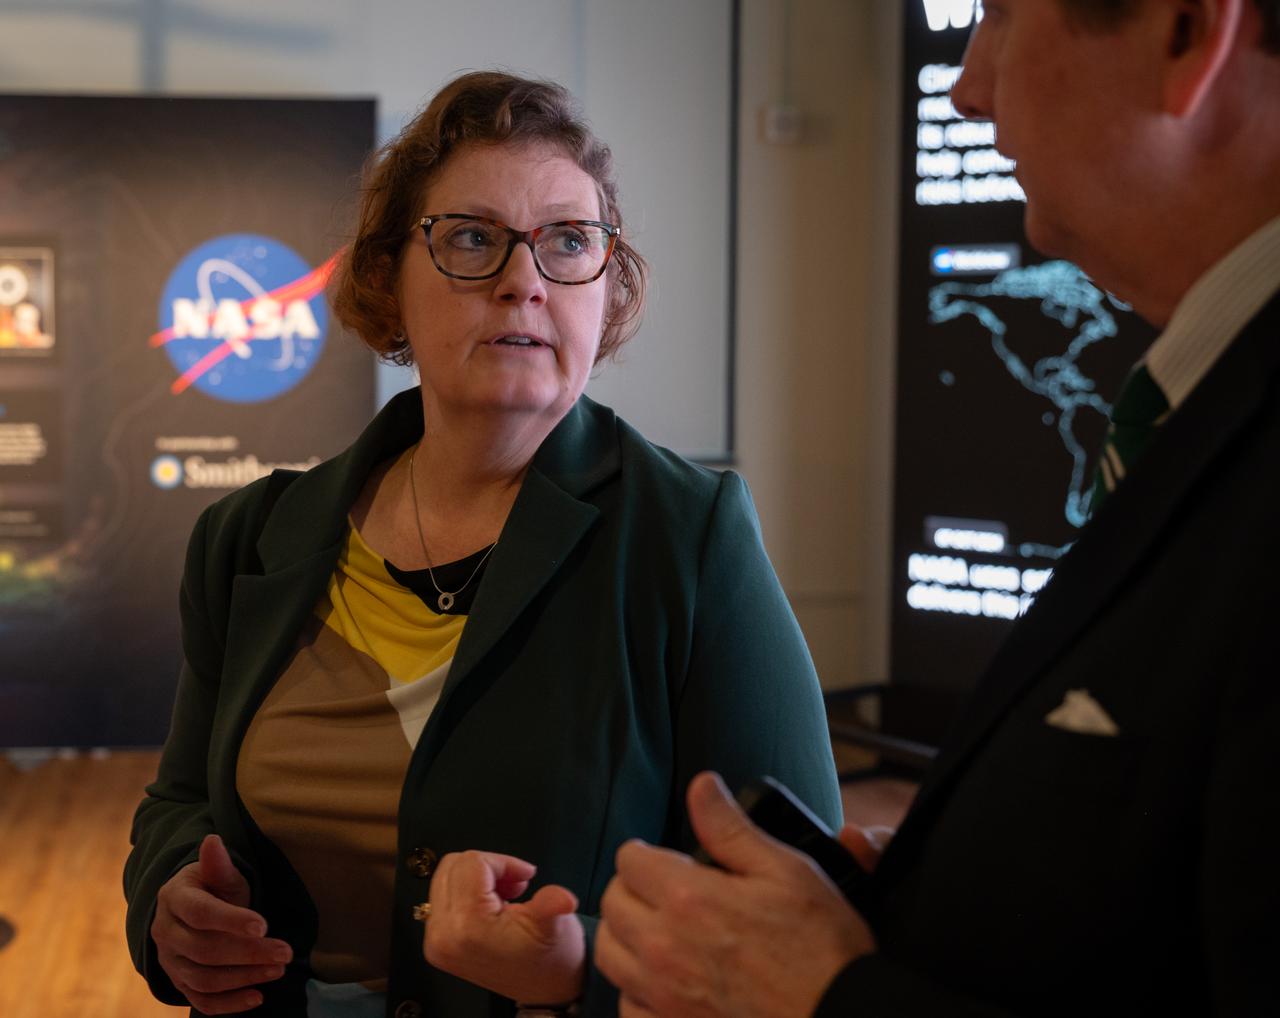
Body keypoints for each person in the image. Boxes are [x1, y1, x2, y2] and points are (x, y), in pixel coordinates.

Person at [595, 0, 1280, 1014]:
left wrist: (823, 993)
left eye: (999, 14)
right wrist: (931, 906)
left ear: (1185, 32)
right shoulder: (1191, 409)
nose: (963, 84)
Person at [123, 71, 841, 1018]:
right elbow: (180, 805)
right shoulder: (251, 537)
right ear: (385, 278)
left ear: (607, 282)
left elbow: (794, 903)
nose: (523, 280)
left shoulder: (686, 536)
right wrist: (170, 905)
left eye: (569, 242)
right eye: (471, 238)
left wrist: (581, 984)